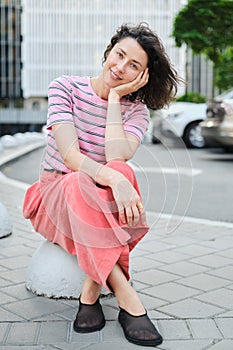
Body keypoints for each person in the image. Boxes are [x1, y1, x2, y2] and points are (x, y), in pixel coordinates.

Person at [23, 22, 181, 347]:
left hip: (96, 208)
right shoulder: (64, 87)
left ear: (143, 76)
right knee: (83, 180)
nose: (121, 67)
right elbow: (70, 157)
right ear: (108, 52)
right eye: (119, 55)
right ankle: (128, 298)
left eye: (133, 65)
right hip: (54, 198)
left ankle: (90, 291)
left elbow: (116, 155)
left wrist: (114, 101)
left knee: (122, 169)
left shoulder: (137, 113)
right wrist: (112, 179)